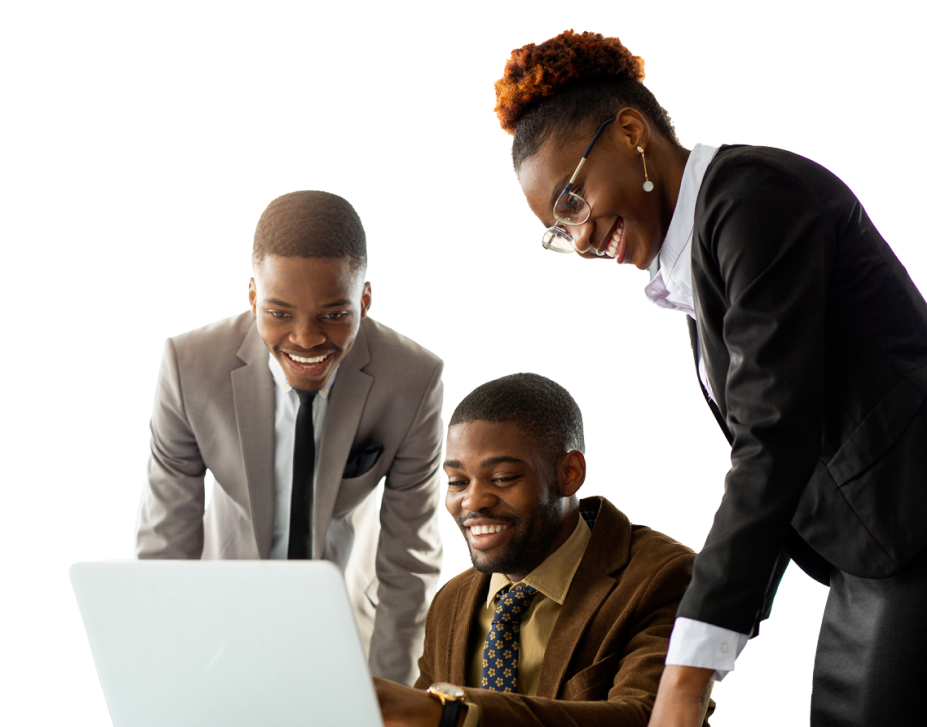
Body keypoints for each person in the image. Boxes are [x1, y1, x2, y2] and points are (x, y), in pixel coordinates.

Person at [492, 29, 927, 726]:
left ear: (629, 133)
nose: (578, 241)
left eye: (571, 203)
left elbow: (773, 438)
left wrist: (687, 672)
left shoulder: (754, 200)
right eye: (556, 230)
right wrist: (711, 641)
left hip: (910, 527)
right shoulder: (701, 251)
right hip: (871, 551)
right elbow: (774, 451)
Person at [135, 189, 445, 685]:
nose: (306, 339)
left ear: (364, 300)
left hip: (351, 628)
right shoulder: (189, 366)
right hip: (222, 616)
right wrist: (166, 667)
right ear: (253, 297)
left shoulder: (414, 379)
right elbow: (166, 539)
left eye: (334, 315)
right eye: (279, 313)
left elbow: (409, 558)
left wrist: (388, 695)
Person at [374, 372, 716, 727]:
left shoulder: (665, 577)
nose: (473, 501)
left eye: (503, 478)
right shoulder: (451, 602)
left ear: (570, 473)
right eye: (457, 482)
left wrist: (456, 713)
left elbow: (653, 719)